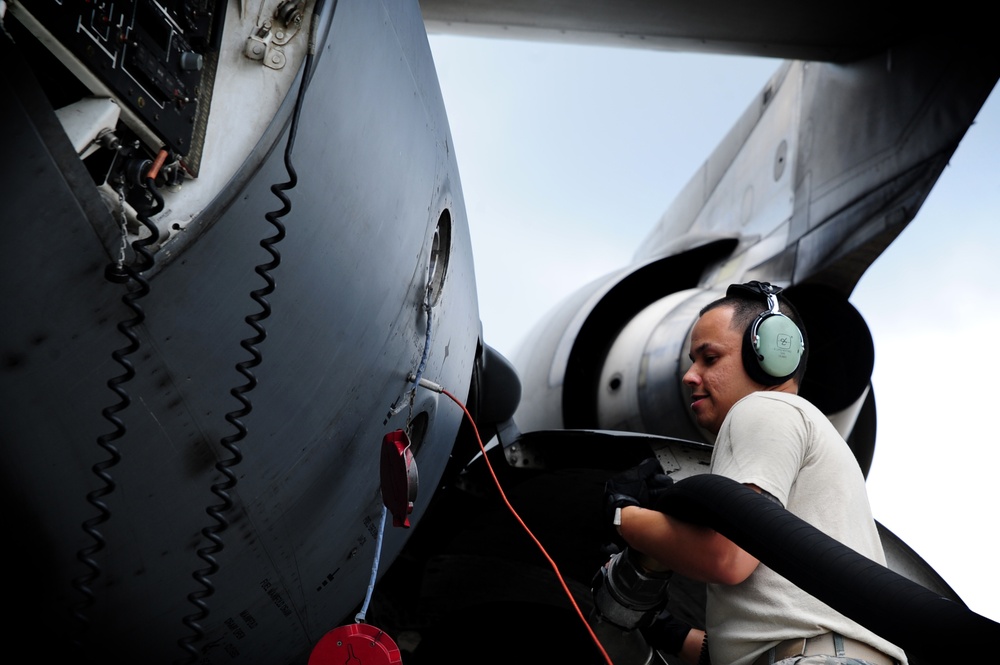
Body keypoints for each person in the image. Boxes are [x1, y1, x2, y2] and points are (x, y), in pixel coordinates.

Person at [609, 281, 907, 665]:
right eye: (692, 360)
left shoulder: (762, 409)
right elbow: (777, 637)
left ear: (768, 356)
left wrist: (623, 516)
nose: (690, 375)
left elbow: (727, 558)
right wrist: (669, 630)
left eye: (709, 358)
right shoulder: (801, 427)